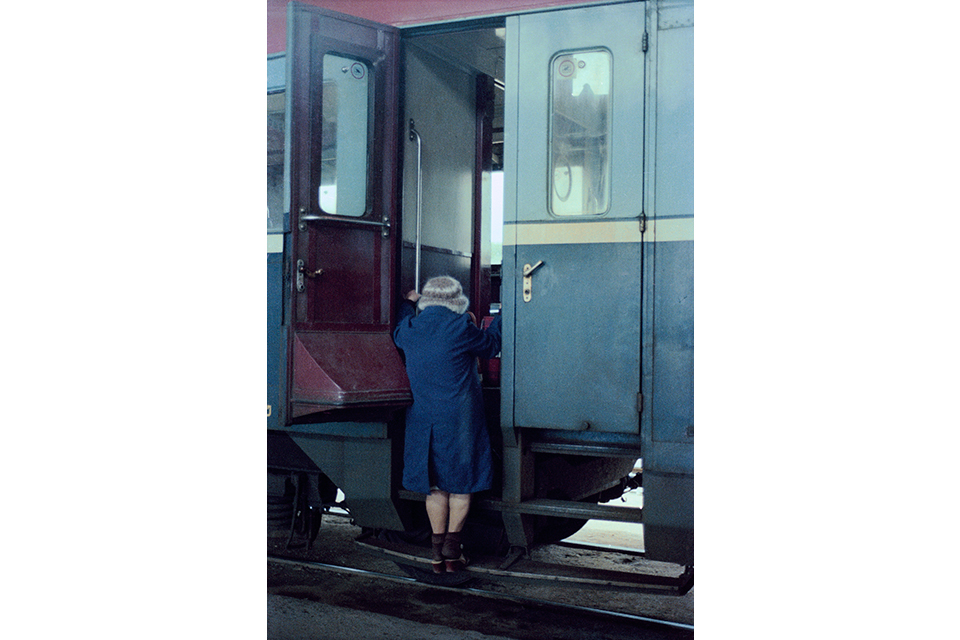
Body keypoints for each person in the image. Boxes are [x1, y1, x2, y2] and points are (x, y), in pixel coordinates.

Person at [393, 276, 502, 573]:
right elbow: (492, 346)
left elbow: (403, 320)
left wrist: (411, 302)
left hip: (423, 419)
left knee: (435, 488)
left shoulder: (409, 329)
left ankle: (436, 553)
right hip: (460, 420)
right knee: (461, 485)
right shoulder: (460, 328)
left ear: (427, 302)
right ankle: (454, 549)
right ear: (456, 302)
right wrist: (504, 315)